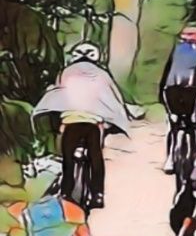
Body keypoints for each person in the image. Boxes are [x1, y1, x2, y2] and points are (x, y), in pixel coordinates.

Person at [32, 42, 131, 211]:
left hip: (71, 123)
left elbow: (58, 94)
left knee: (68, 159)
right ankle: (98, 194)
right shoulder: (102, 74)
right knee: (96, 157)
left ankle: (66, 192)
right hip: (93, 124)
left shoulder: (66, 72)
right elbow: (113, 98)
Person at [159, 27, 196, 173]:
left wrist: (161, 95)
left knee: (173, 125)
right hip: (191, 91)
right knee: (194, 124)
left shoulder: (175, 52)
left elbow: (166, 73)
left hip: (171, 91)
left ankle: (170, 159)